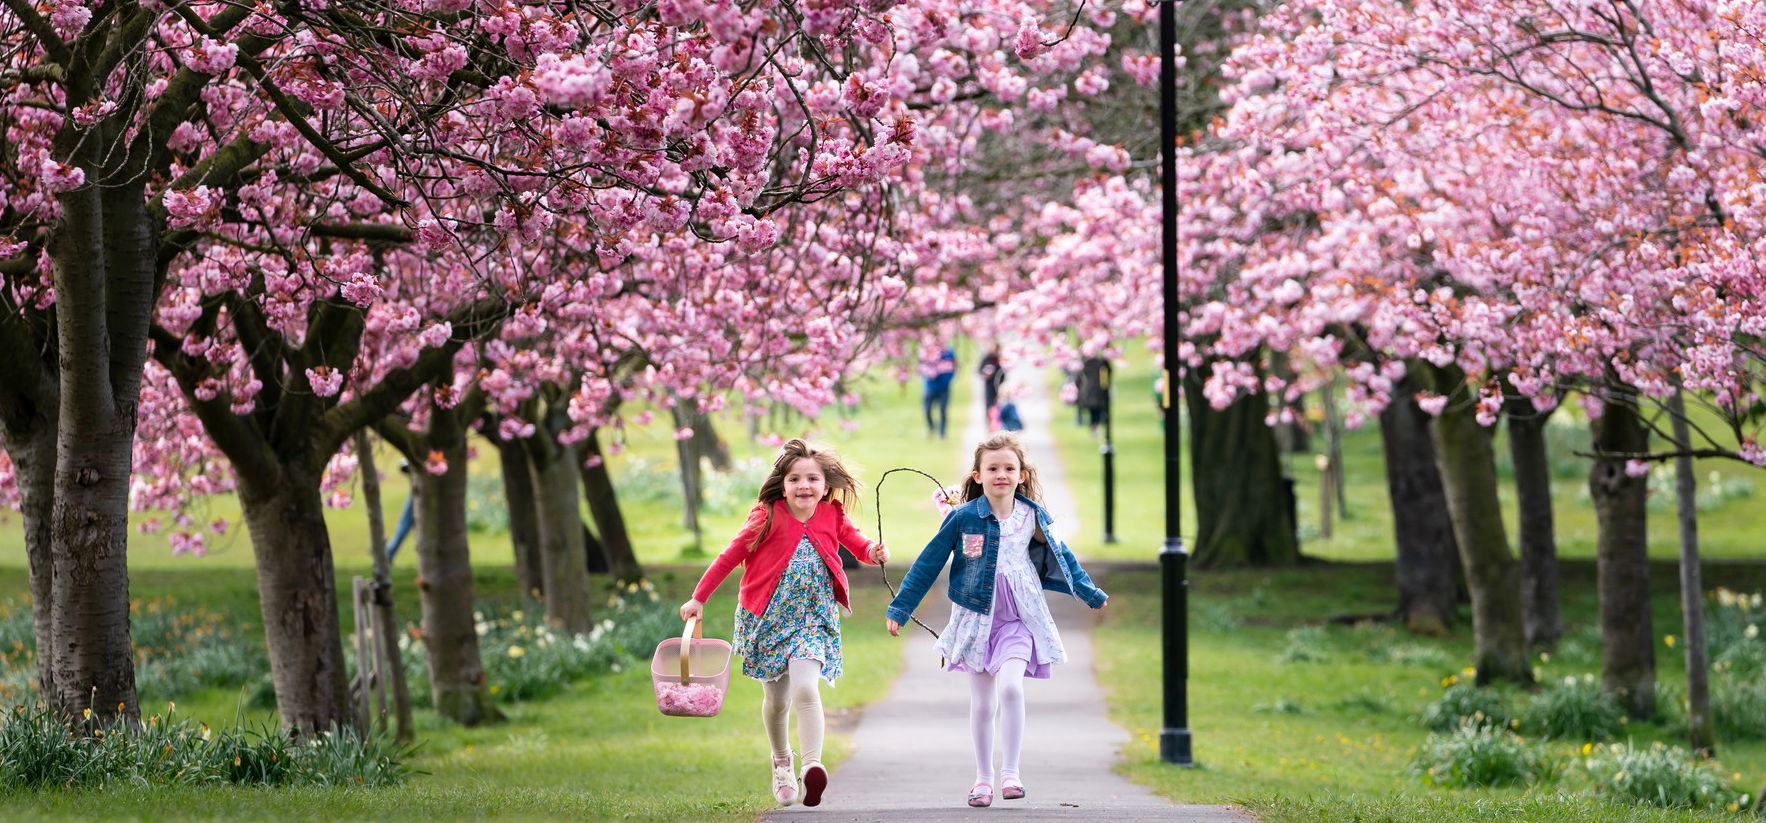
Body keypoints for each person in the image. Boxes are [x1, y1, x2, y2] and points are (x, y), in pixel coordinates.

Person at [884, 432, 1108, 808]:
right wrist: (900, 609)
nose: (1001, 474)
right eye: (992, 468)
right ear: (977, 475)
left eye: (1009, 468)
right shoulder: (962, 518)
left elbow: (1063, 557)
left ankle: (1011, 773)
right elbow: (928, 563)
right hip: (976, 618)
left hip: (1020, 616)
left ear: (1022, 475)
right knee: (984, 703)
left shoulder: (1032, 516)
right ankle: (983, 779)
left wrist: (1090, 593)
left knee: (1010, 688)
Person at [680, 439, 889, 808]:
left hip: (813, 618)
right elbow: (730, 556)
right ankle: (781, 762)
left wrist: (873, 551)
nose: (804, 486)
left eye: (812, 479)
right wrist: (699, 597)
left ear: (826, 486)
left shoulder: (832, 515)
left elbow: (857, 544)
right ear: (783, 483)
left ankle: (812, 767)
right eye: (795, 479)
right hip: (767, 618)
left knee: (807, 689)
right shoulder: (767, 515)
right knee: (776, 700)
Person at [921, 344, 957, 439]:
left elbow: (954, 366)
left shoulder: (949, 353)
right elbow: (921, 366)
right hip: (930, 386)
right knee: (927, 410)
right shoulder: (926, 350)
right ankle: (931, 427)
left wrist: (948, 379)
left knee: (943, 410)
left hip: (944, 387)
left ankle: (942, 433)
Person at [1075, 356, 1111, 438]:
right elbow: (1105, 379)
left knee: (1093, 412)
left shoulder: (1084, 364)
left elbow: (1078, 380)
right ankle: (1095, 428)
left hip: (1088, 392)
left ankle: (1094, 429)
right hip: (1097, 391)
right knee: (1096, 412)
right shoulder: (1100, 363)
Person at [978, 344, 1006, 423]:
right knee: (989, 404)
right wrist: (985, 375)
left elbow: (1003, 372)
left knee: (999, 404)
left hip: (998, 385)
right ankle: (989, 422)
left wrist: (1001, 384)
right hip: (988, 385)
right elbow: (979, 370)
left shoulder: (1000, 359)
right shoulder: (986, 358)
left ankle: (998, 422)